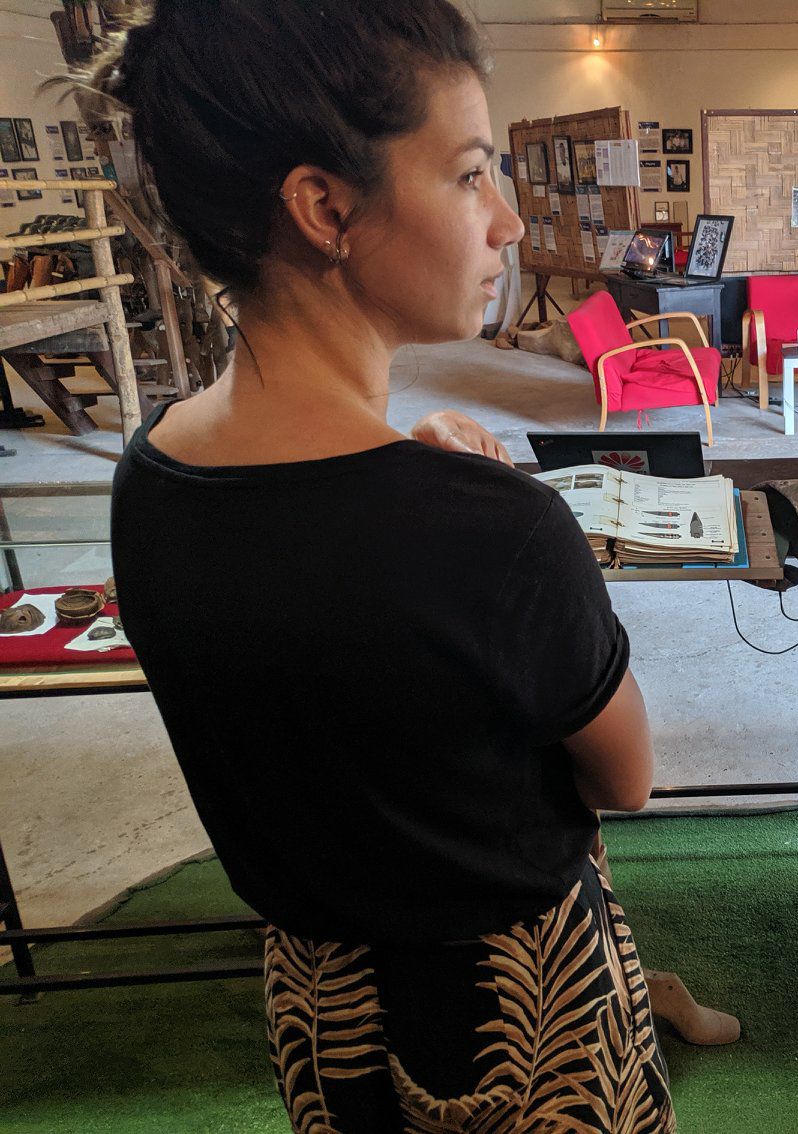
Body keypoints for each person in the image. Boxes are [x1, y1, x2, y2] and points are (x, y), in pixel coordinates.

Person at [69, 2, 674, 1129]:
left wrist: (412, 469)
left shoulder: (150, 479)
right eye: (470, 175)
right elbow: (624, 779)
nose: (507, 222)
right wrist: (478, 514)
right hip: (527, 1027)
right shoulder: (497, 534)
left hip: (320, 1019)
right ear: (326, 209)